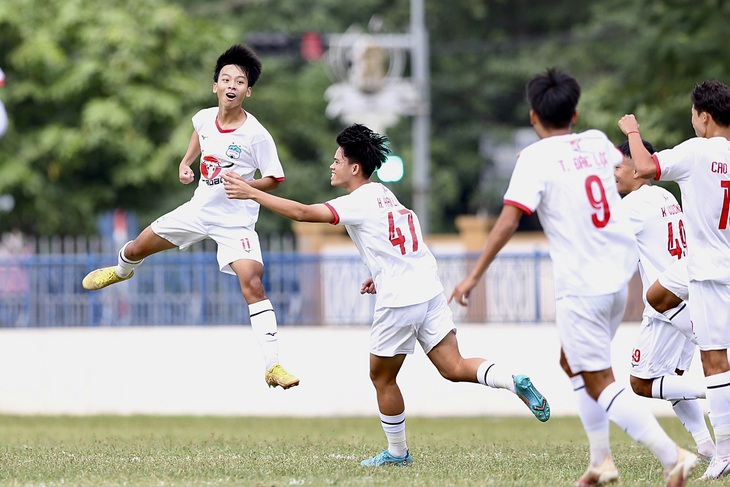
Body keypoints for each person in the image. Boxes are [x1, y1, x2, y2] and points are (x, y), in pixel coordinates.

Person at [222, 123, 551, 468]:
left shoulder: (358, 200)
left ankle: (397, 453)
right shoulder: (385, 194)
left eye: (337, 160)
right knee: (453, 367)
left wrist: (253, 193)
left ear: (354, 167)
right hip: (427, 289)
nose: (332, 166)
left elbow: (304, 213)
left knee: (382, 377)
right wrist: (379, 273)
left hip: (401, 299)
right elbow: (396, 243)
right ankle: (513, 381)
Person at [450, 68, 698, 487]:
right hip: (614, 283)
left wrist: (474, 275)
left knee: (599, 378)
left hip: (581, 286)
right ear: (576, 113)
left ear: (533, 117)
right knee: (571, 361)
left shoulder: (534, 158)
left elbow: (510, 219)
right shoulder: (599, 144)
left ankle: (671, 455)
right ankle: (601, 461)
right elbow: (595, 169)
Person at [81, 44, 299, 390]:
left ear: (248, 91)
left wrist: (248, 185)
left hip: (236, 222)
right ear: (215, 86)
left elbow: (275, 178)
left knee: (254, 283)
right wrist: (185, 163)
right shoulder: (203, 117)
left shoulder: (256, 134)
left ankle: (273, 365)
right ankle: (121, 272)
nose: (231, 85)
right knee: (137, 248)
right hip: (199, 210)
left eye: (239, 81)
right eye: (225, 78)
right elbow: (199, 134)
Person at [619, 78, 730, 480]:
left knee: (708, 363)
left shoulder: (697, 151)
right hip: (701, 266)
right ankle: (708, 444)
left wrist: (632, 131)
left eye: (692, 115)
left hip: (708, 273)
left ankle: (723, 449)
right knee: (658, 297)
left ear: (704, 116)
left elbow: (647, 167)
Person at [614, 139, 713, 460]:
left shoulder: (633, 205)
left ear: (638, 168)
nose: (612, 173)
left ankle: (718, 389)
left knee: (642, 383)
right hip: (690, 294)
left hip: (666, 307)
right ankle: (708, 447)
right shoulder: (665, 195)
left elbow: (597, 236)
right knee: (671, 380)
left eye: (617, 165)